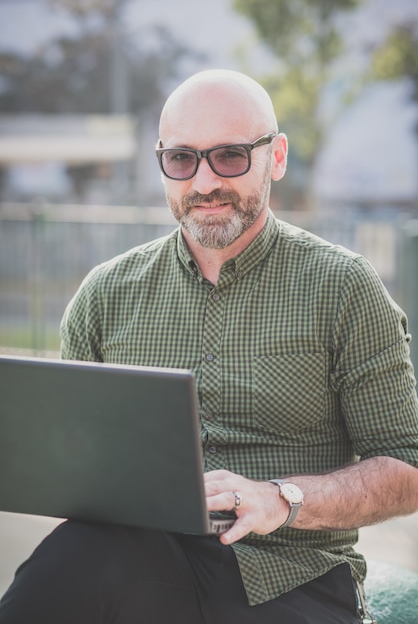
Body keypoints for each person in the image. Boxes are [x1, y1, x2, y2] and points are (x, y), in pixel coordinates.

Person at [1, 69, 418, 624]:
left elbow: (407, 467)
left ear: (277, 157)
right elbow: (81, 473)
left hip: (297, 578)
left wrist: (282, 499)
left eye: (229, 156)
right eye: (181, 159)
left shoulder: (343, 287)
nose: (203, 183)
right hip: (146, 563)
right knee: (68, 562)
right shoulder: (104, 294)